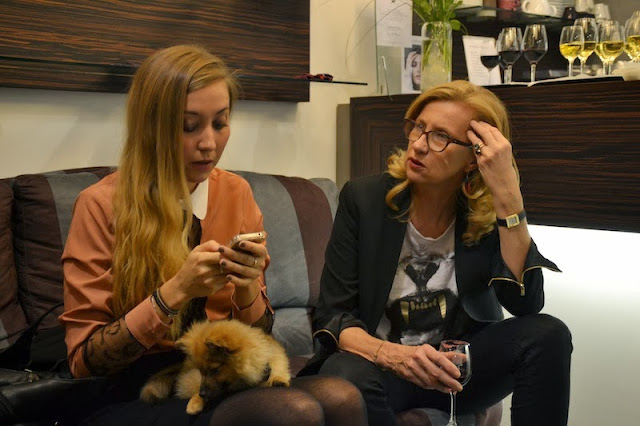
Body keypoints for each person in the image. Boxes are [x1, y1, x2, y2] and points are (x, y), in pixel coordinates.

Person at [59, 44, 367, 426]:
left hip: (223, 373)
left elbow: (258, 335)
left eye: (220, 123)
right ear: (152, 128)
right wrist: (174, 293)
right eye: (189, 127)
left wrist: (247, 286)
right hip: (139, 389)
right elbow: (86, 360)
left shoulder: (235, 193)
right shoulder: (100, 205)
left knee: (342, 397)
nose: (208, 143)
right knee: (294, 411)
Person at [301, 80, 572, 426]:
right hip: (382, 368)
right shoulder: (363, 199)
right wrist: (394, 356)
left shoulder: (485, 212)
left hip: (456, 372)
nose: (418, 145)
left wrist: (508, 196)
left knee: (549, 333)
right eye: (419, 127)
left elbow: (525, 304)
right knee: (345, 373)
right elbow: (333, 315)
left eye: (440, 137)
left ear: (473, 158)